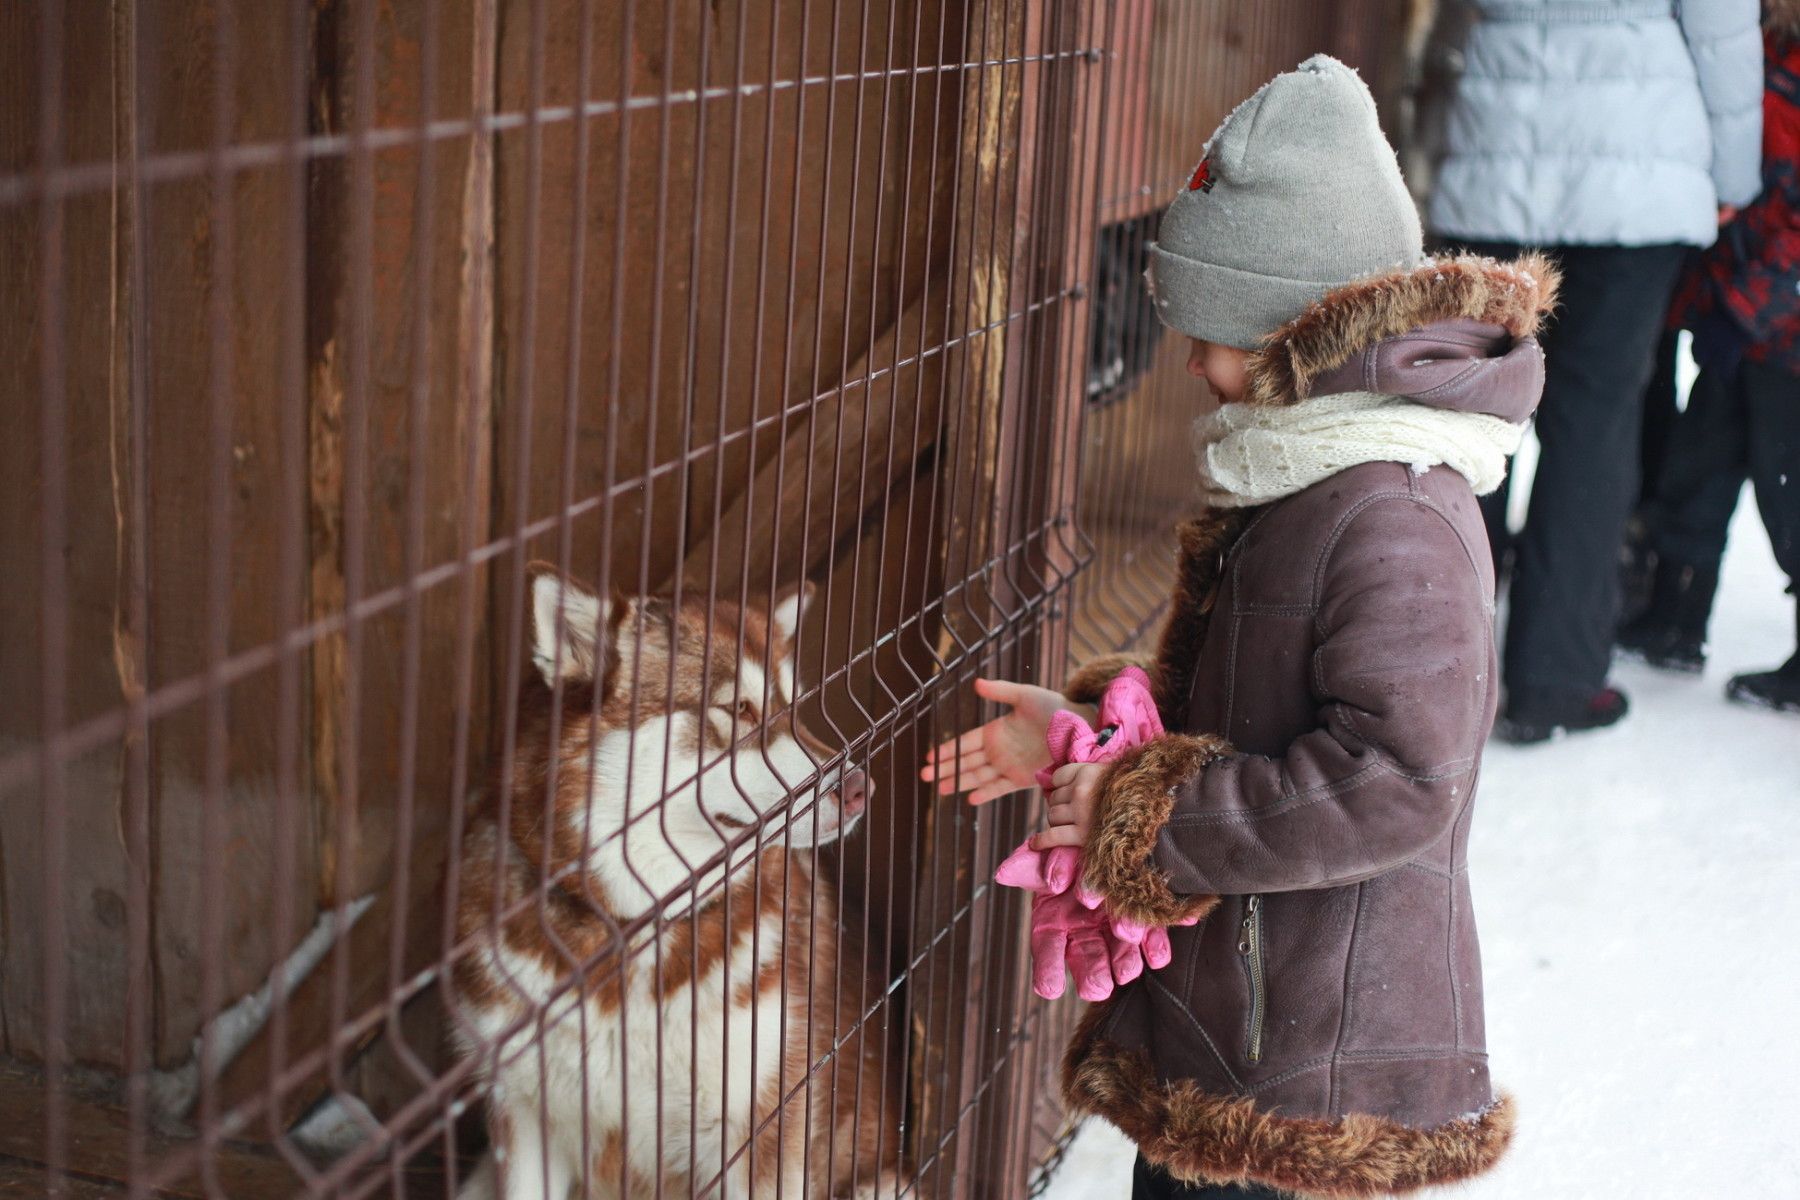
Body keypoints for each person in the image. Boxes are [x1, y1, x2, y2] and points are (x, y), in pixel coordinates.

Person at [924, 57, 1549, 1200]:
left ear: (1286, 330)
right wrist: (1083, 739)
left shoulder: (1392, 508)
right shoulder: (1309, 472)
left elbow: (1402, 778)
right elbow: (1251, 716)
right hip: (1258, 1027)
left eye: (1208, 329)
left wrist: (1142, 815)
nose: (1190, 362)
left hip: (1318, 1062)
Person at [1425, 0, 1762, 742]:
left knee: (1468, 420)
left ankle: (1436, 681)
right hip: (1636, 174)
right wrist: (1734, 177)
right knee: (1595, 427)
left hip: (1496, 150)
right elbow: (1722, 32)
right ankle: (1556, 679)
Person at [1620, 0, 1800, 713]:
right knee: (1696, 472)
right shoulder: (1754, 52)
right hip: (1740, 316)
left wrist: (1744, 309)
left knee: (1790, 500)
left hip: (1785, 340)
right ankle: (1675, 618)